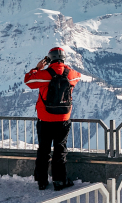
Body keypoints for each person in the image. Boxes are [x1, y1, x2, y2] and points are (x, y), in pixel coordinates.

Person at [24, 46, 83, 191]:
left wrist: (37, 69)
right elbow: (79, 76)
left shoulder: (44, 74)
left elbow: (28, 81)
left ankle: (42, 181)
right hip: (63, 119)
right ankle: (60, 181)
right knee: (60, 149)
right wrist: (65, 67)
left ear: (49, 58)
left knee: (44, 150)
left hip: (45, 119)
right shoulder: (70, 74)